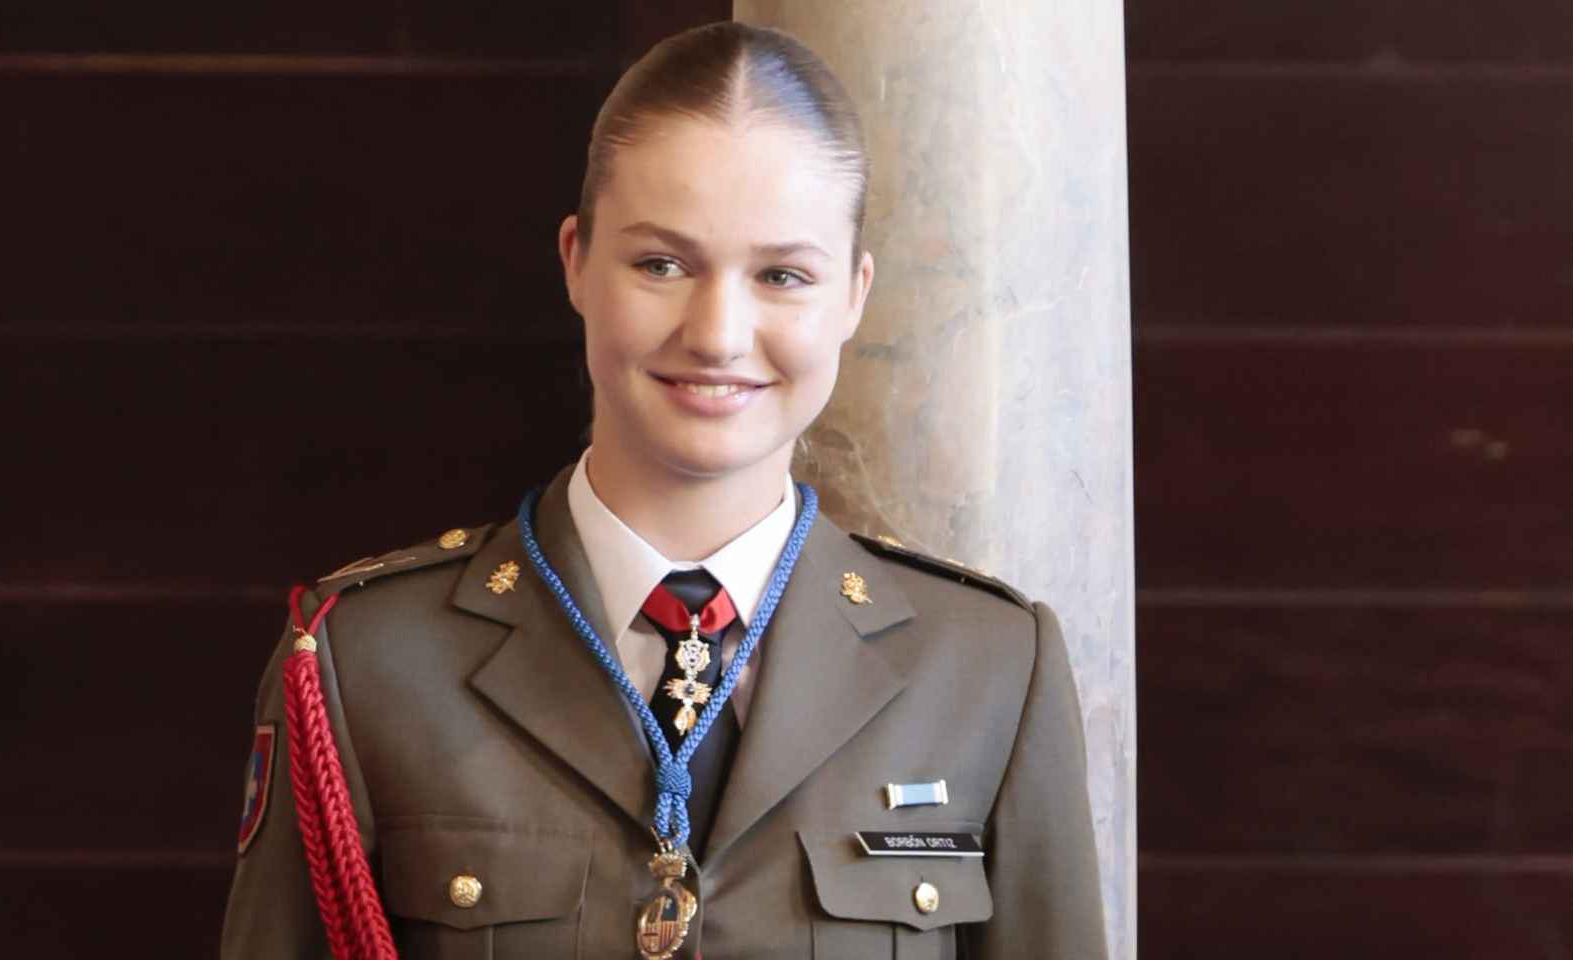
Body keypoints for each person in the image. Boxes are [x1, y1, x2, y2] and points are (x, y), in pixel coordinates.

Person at [221, 21, 1106, 960]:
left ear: (853, 295)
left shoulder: (986, 668)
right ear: (575, 262)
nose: (719, 333)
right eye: (661, 264)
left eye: (782, 275)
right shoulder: (368, 663)